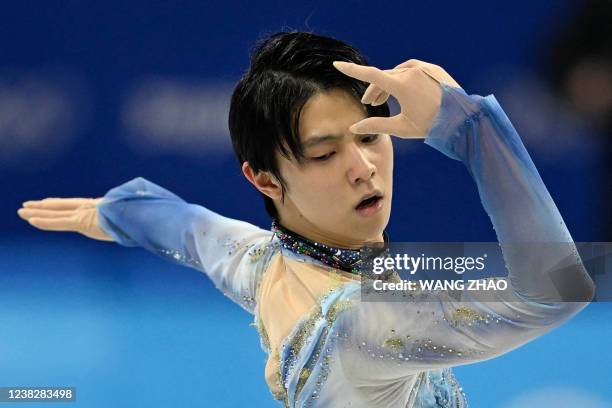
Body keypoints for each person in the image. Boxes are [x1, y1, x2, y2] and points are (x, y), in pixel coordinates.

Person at [17, 32, 595, 407]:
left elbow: (189, 229)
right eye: (324, 154)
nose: (363, 169)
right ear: (264, 180)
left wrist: (117, 212)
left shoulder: (265, 262)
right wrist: (470, 130)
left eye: (371, 137)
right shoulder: (363, 324)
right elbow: (556, 288)